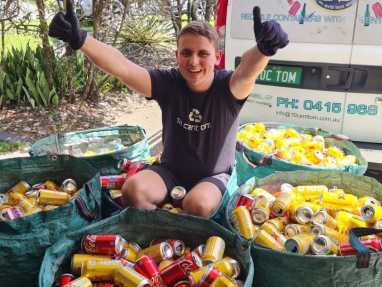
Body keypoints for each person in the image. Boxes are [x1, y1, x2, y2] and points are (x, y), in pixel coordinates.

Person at [49, 0, 289, 218]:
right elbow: (123, 67)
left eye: (202, 54)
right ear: (177, 56)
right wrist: (81, 39)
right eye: (186, 53)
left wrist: (263, 50)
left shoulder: (228, 87)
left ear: (217, 58)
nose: (193, 61)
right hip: (170, 171)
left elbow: (248, 70)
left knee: (198, 205)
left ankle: (185, 244)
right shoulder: (168, 83)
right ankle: (160, 241)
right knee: (133, 190)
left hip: (214, 177)